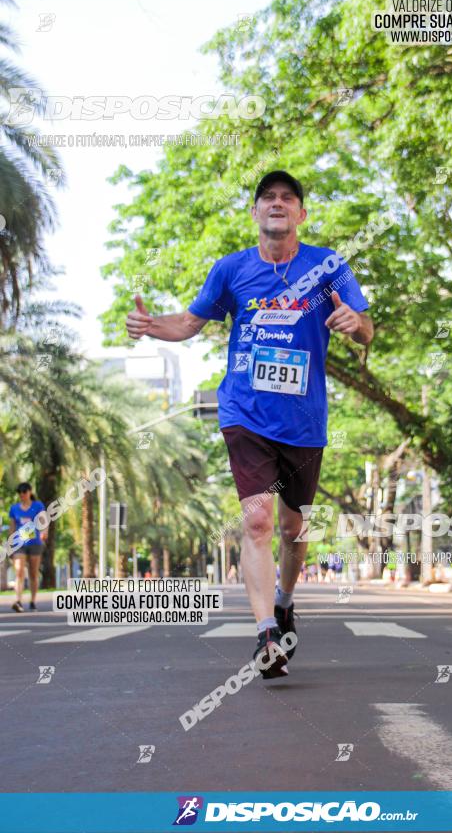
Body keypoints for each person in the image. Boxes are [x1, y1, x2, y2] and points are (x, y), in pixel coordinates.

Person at [126, 170, 373, 678]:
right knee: (258, 520)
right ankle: (265, 632)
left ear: (301, 214)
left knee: (294, 527)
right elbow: (190, 323)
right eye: (268, 198)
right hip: (245, 412)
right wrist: (152, 327)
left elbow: (367, 327)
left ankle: (284, 601)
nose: (277, 203)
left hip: (305, 421)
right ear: (255, 213)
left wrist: (356, 324)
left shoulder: (328, 266)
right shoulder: (231, 270)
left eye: (288, 198)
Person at [9, 483, 47, 612]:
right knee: (19, 571)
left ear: (30, 492)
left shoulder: (38, 506)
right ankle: (18, 601)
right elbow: (12, 527)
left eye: (24, 491)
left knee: (33, 573)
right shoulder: (14, 509)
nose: (21, 494)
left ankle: (32, 601)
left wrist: (44, 532)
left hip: (35, 543)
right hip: (20, 545)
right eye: (19, 491)